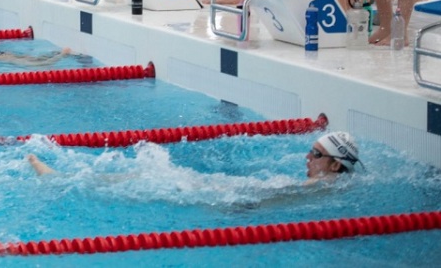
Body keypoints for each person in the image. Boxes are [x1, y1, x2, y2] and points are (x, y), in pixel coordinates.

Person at [29, 131, 362, 185]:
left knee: (151, 176)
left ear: (335, 164)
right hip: (233, 192)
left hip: (234, 197)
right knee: (151, 176)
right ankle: (64, 178)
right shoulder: (326, 187)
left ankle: (64, 178)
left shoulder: (322, 188)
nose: (307, 158)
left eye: (316, 154)